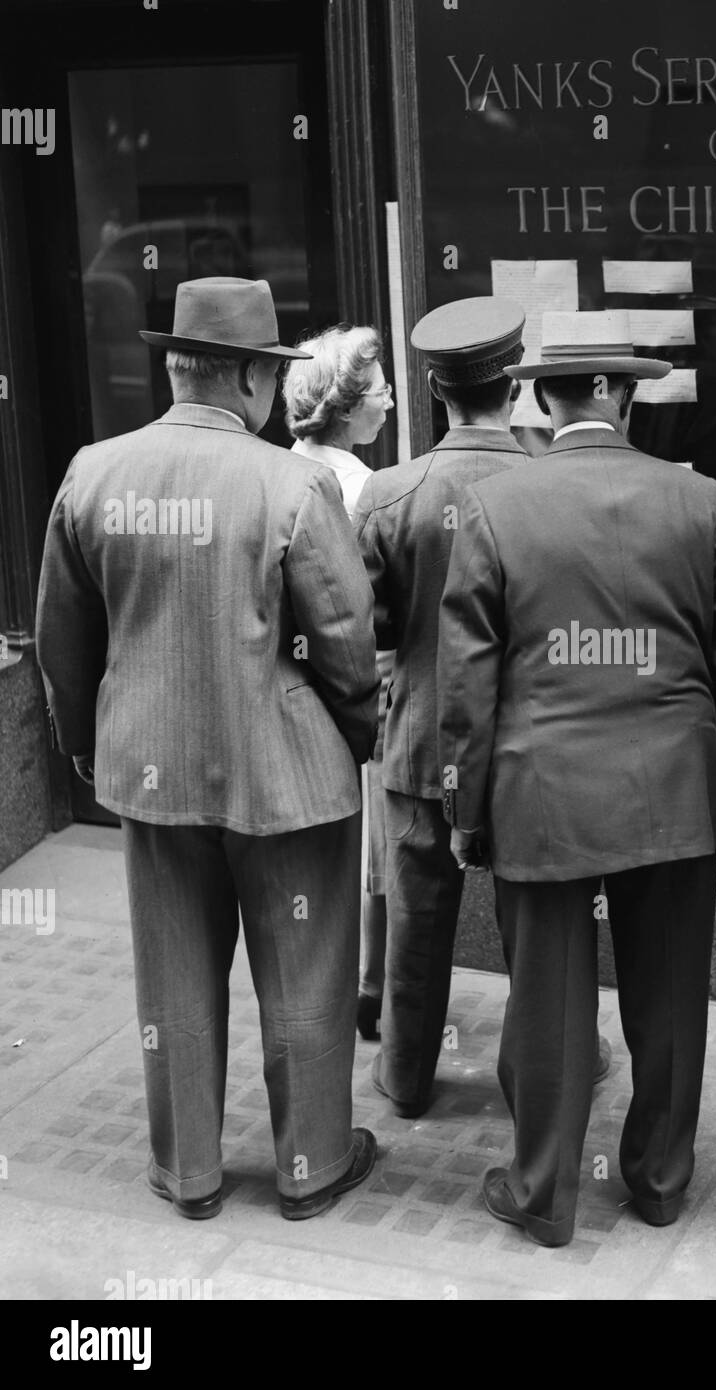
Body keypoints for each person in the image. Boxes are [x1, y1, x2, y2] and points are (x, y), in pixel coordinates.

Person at [36, 277, 381, 1221]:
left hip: (153, 767)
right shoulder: (294, 482)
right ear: (243, 379)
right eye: (268, 374)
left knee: (175, 975)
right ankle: (310, 1166)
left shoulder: (92, 472)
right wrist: (361, 737)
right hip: (285, 777)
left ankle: (189, 1171)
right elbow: (345, 641)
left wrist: (85, 748)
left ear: (178, 366)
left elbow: (63, 642)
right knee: (305, 969)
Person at [438, 310, 716, 1246]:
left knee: (546, 1000)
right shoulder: (697, 499)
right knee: (669, 991)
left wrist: (466, 808)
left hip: (539, 790)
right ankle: (660, 1181)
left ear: (542, 401)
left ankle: (543, 1194)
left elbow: (465, 684)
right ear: (624, 397)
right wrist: (706, 739)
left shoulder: (497, 506)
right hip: (671, 784)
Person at [355, 297, 530, 1117]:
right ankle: (547, 1068)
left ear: (433, 387)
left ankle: (406, 1076)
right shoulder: (550, 487)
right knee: (539, 931)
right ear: (519, 381)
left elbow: (367, 626)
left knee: (415, 928)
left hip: (421, 739)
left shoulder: (390, 493)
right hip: (531, 748)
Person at [282, 324, 395, 1042]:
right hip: (359, 683)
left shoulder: (285, 465)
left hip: (295, 683)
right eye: (381, 390)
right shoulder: (360, 488)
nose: (389, 400)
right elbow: (364, 609)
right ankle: (371, 987)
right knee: (373, 852)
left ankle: (332, 987)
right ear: (352, 408)